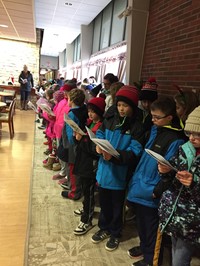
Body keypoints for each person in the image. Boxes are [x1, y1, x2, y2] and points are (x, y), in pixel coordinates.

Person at [127, 96, 185, 266]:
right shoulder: (155, 130)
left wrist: (157, 190)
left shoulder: (176, 140)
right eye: (152, 116)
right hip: (141, 185)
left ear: (169, 118)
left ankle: (151, 260)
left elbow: (169, 171)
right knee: (142, 227)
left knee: (152, 230)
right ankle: (146, 251)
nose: (152, 120)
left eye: (157, 117)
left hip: (152, 191)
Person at [91, 85, 144, 252]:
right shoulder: (110, 118)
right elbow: (99, 134)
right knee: (104, 203)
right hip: (103, 172)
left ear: (133, 107)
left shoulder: (137, 127)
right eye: (119, 104)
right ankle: (104, 227)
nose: (121, 109)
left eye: (125, 106)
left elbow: (134, 152)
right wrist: (98, 147)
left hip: (119, 175)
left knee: (116, 206)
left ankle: (115, 232)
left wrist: (114, 156)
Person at [157, 105, 200, 266]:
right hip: (173, 212)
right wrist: (166, 171)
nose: (192, 138)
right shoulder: (184, 149)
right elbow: (171, 176)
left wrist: (194, 182)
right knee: (174, 253)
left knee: (180, 260)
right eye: (189, 133)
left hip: (191, 220)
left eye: (198, 134)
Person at [73, 97, 106, 235]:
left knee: (89, 192)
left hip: (91, 166)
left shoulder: (101, 127)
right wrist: (78, 137)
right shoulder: (90, 123)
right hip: (83, 162)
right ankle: (86, 208)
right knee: (85, 190)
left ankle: (87, 219)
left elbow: (95, 149)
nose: (90, 114)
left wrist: (82, 140)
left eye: (93, 111)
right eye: (89, 111)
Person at [61, 88, 88, 200]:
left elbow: (68, 132)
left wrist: (70, 145)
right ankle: (77, 188)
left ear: (71, 100)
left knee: (72, 169)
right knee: (78, 169)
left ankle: (74, 192)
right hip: (82, 143)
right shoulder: (84, 109)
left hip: (73, 145)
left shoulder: (72, 114)